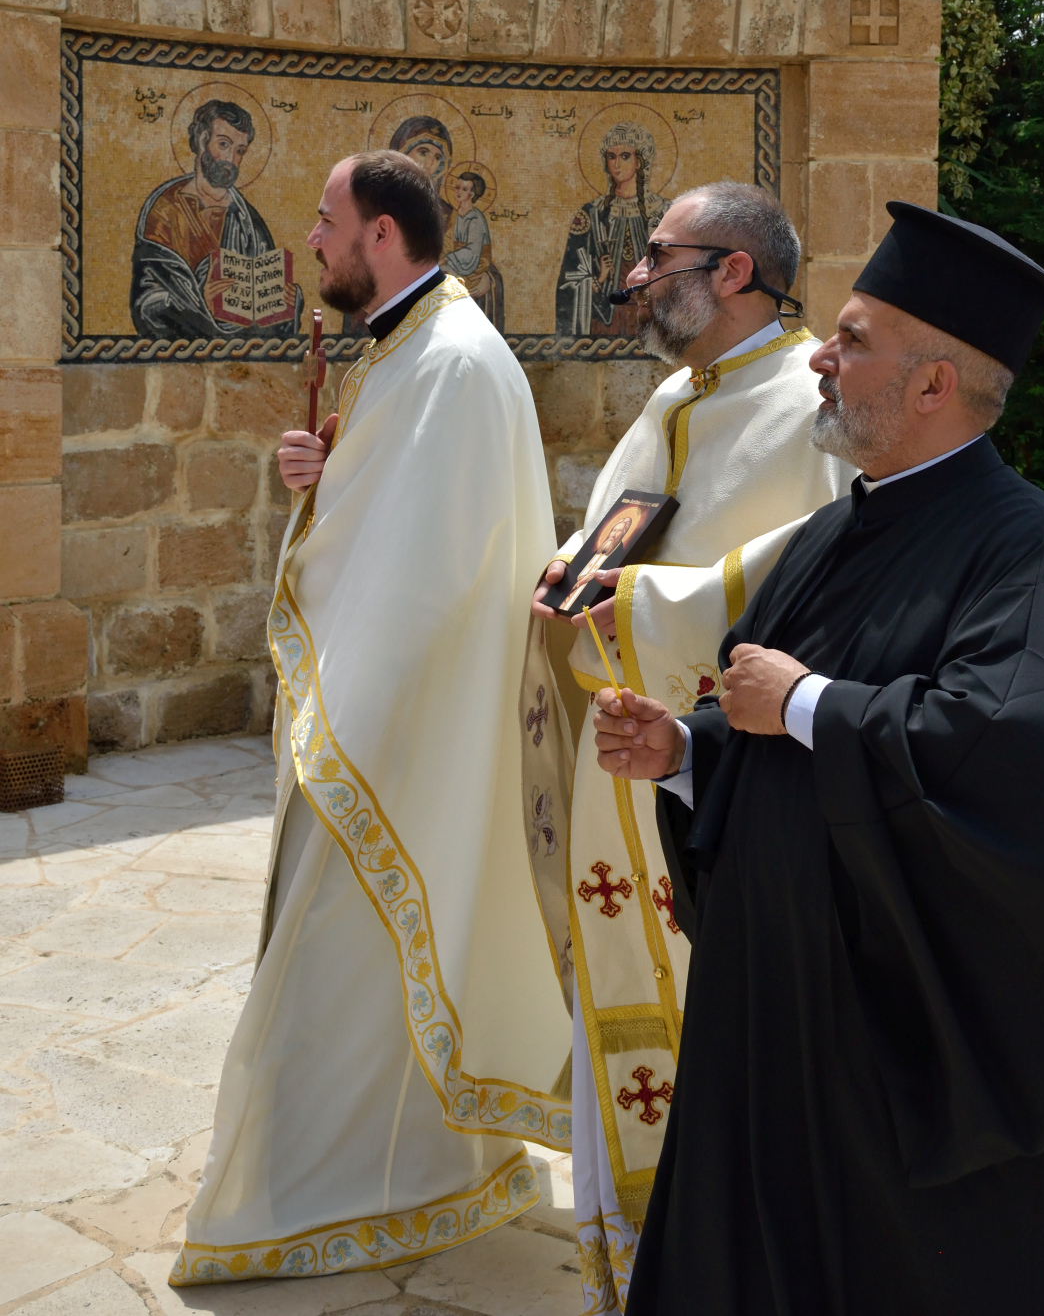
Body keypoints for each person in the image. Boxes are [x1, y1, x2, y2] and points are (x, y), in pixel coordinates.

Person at [595, 201, 1044, 1316]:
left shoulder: (1028, 545)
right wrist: (686, 750)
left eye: (852, 338)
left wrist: (809, 703)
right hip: (775, 1014)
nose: (822, 361)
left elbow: (1034, 756)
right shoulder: (843, 524)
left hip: (889, 1049)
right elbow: (772, 720)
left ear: (934, 384)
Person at [172, 151, 569, 1289]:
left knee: (342, 957)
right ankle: (402, 1172)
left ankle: (315, 1194)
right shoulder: (408, 343)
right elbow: (393, 512)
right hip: (376, 705)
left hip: (394, 727)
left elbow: (433, 569)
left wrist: (342, 721)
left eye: (326, 218)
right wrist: (325, 468)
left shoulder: (447, 358)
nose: (310, 236)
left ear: (382, 234)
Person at [522, 181, 854, 1312]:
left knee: (723, 1012)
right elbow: (615, 517)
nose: (636, 272)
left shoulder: (810, 400)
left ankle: (716, 1259)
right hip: (622, 737)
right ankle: (632, 1255)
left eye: (660, 254)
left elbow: (809, 570)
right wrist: (568, 576)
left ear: (734, 271)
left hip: (720, 764)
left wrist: (637, 604)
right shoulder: (677, 392)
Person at [131, 97, 302, 339]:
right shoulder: (164, 210)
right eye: (224, 144)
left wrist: (285, 306)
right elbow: (146, 303)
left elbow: (268, 324)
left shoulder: (248, 222)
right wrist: (199, 305)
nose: (231, 159)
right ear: (202, 140)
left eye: (240, 151)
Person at [556, 122, 668, 339]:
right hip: (605, 317)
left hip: (651, 318)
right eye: (611, 156)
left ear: (639, 161)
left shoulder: (665, 212)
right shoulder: (591, 214)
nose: (617, 164)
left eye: (625, 156)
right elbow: (568, 281)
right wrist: (598, 279)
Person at [444, 168, 505, 330]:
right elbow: (448, 241)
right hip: (456, 265)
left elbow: (472, 251)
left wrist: (447, 259)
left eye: (464, 189)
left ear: (472, 194)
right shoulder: (456, 215)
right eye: (457, 187)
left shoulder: (475, 218)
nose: (458, 192)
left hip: (473, 268)